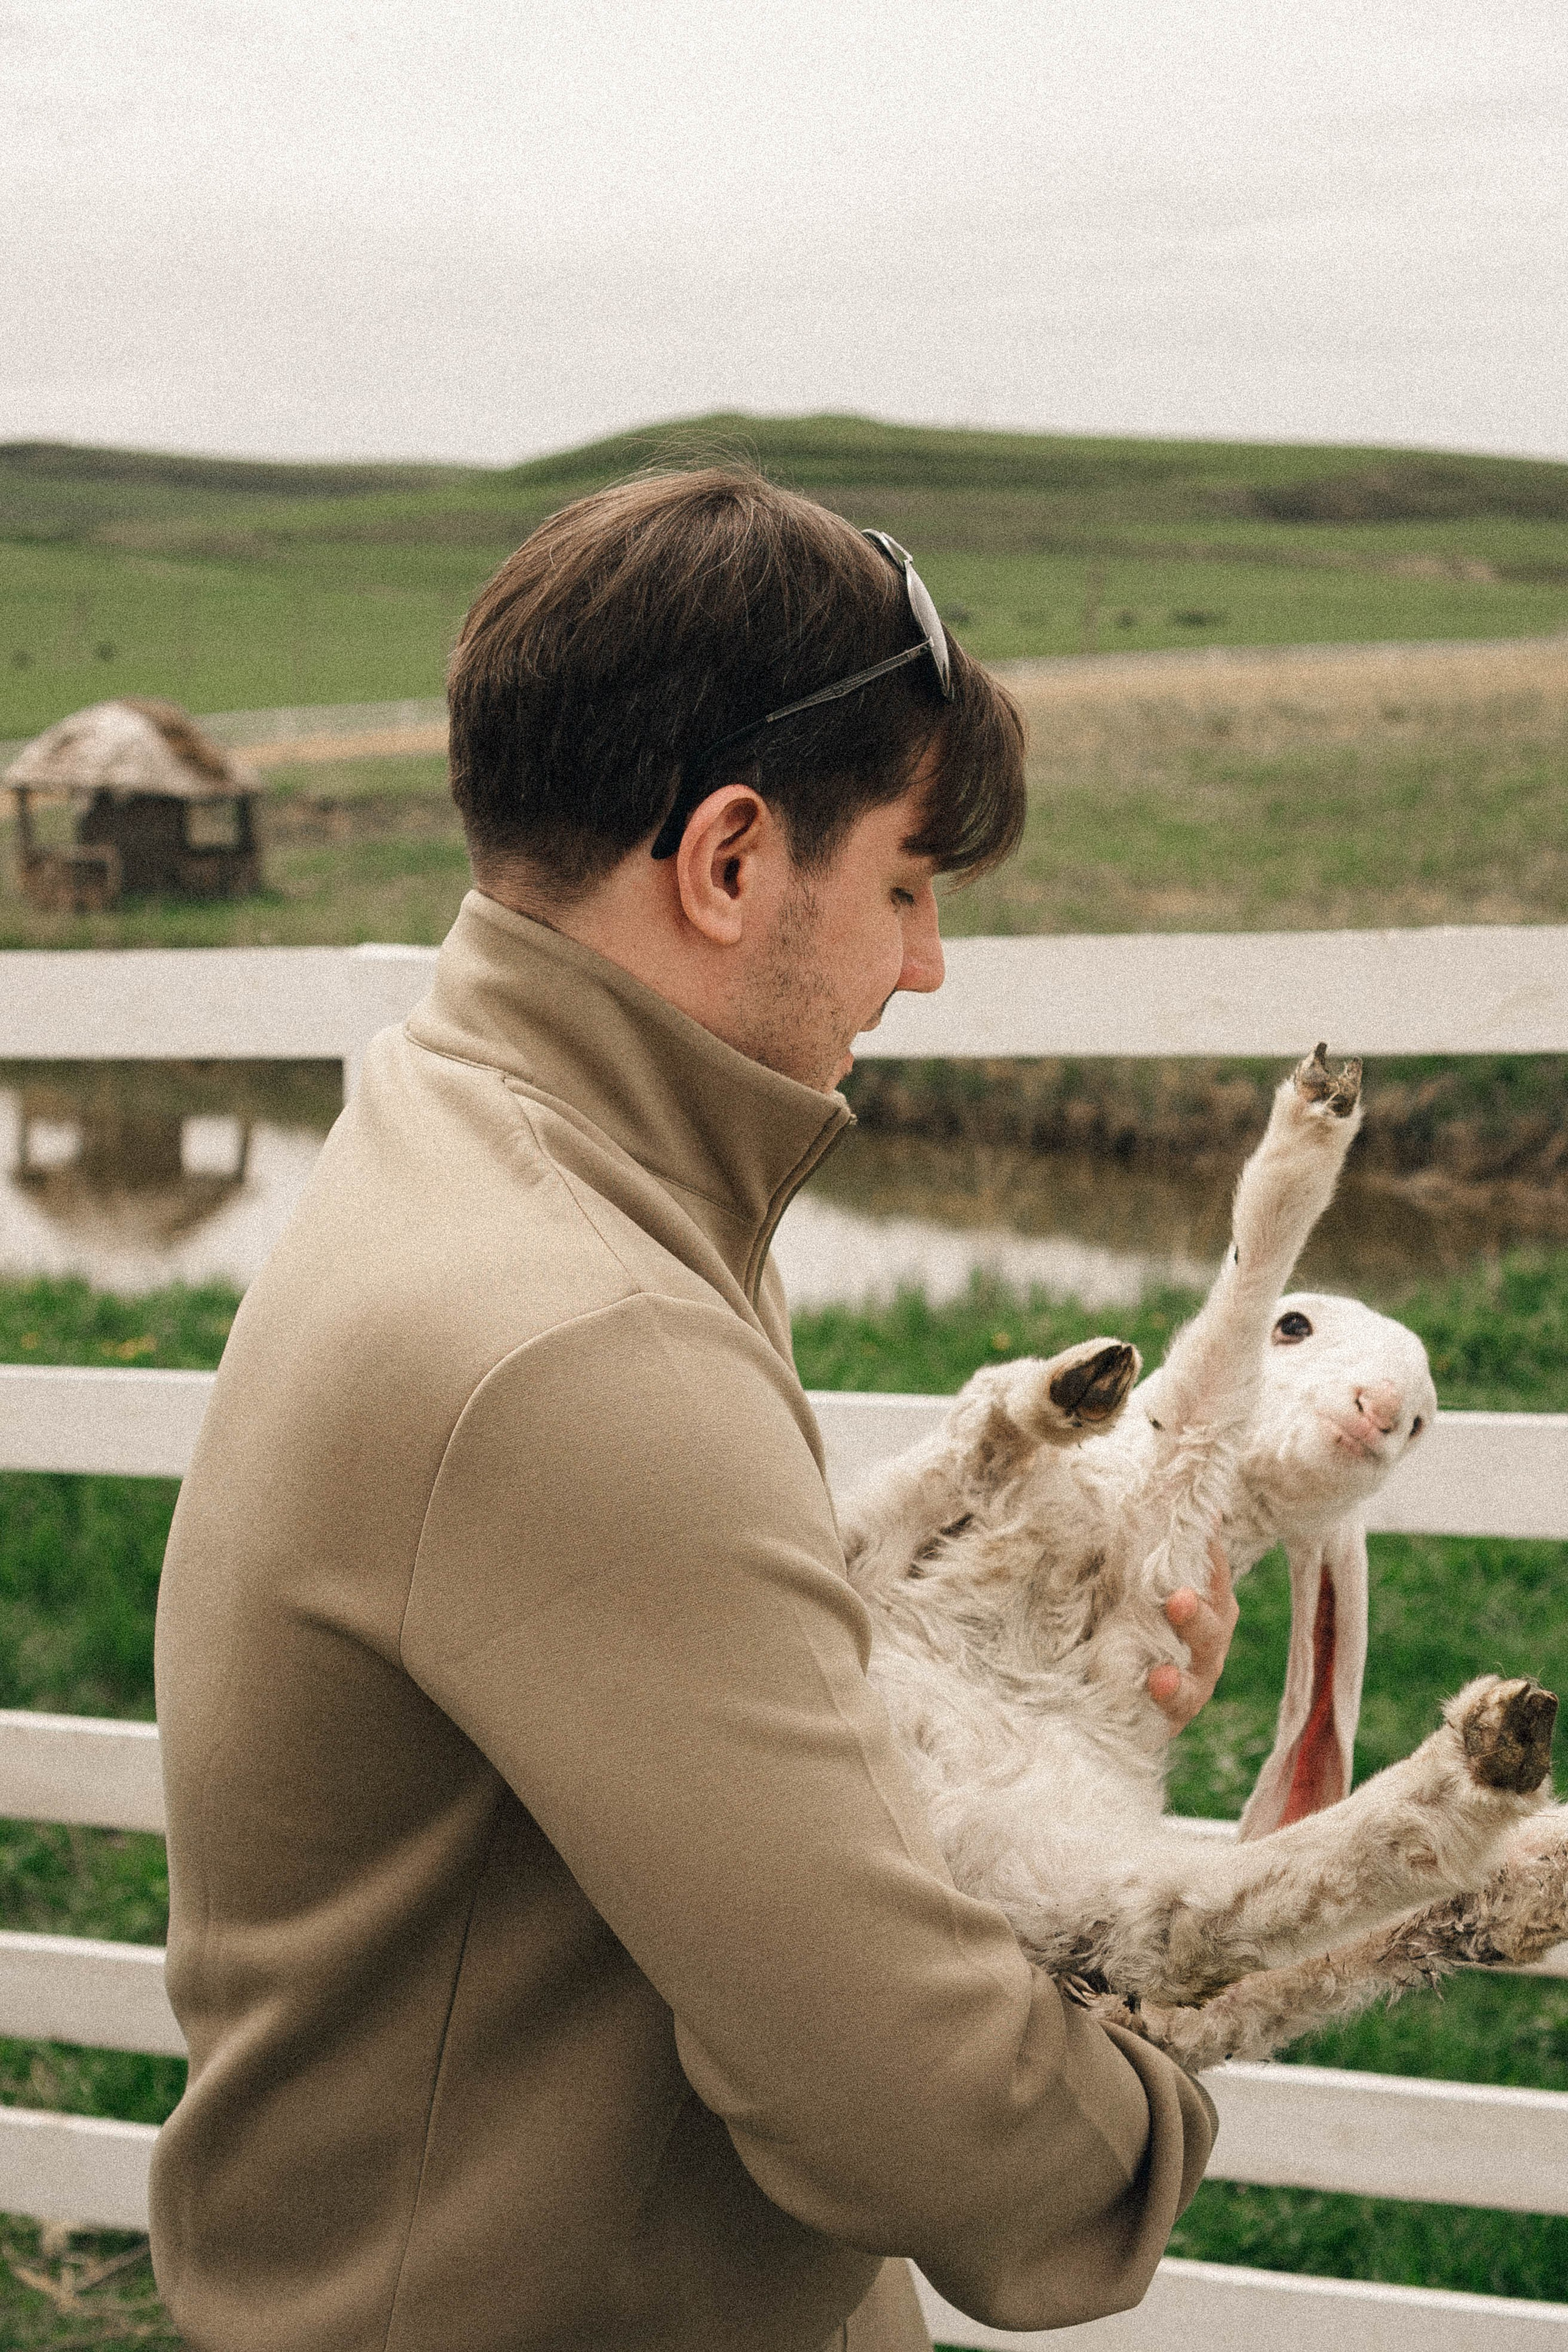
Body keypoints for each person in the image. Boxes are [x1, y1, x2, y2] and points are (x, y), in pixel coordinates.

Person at [150, 469, 1235, 2352]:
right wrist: (1154, 2013)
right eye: (903, 881)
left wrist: (1017, 1698)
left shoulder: (486, 1137)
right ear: (732, 859)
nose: (925, 965)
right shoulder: (583, 1335)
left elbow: (658, 1734)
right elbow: (915, 2112)